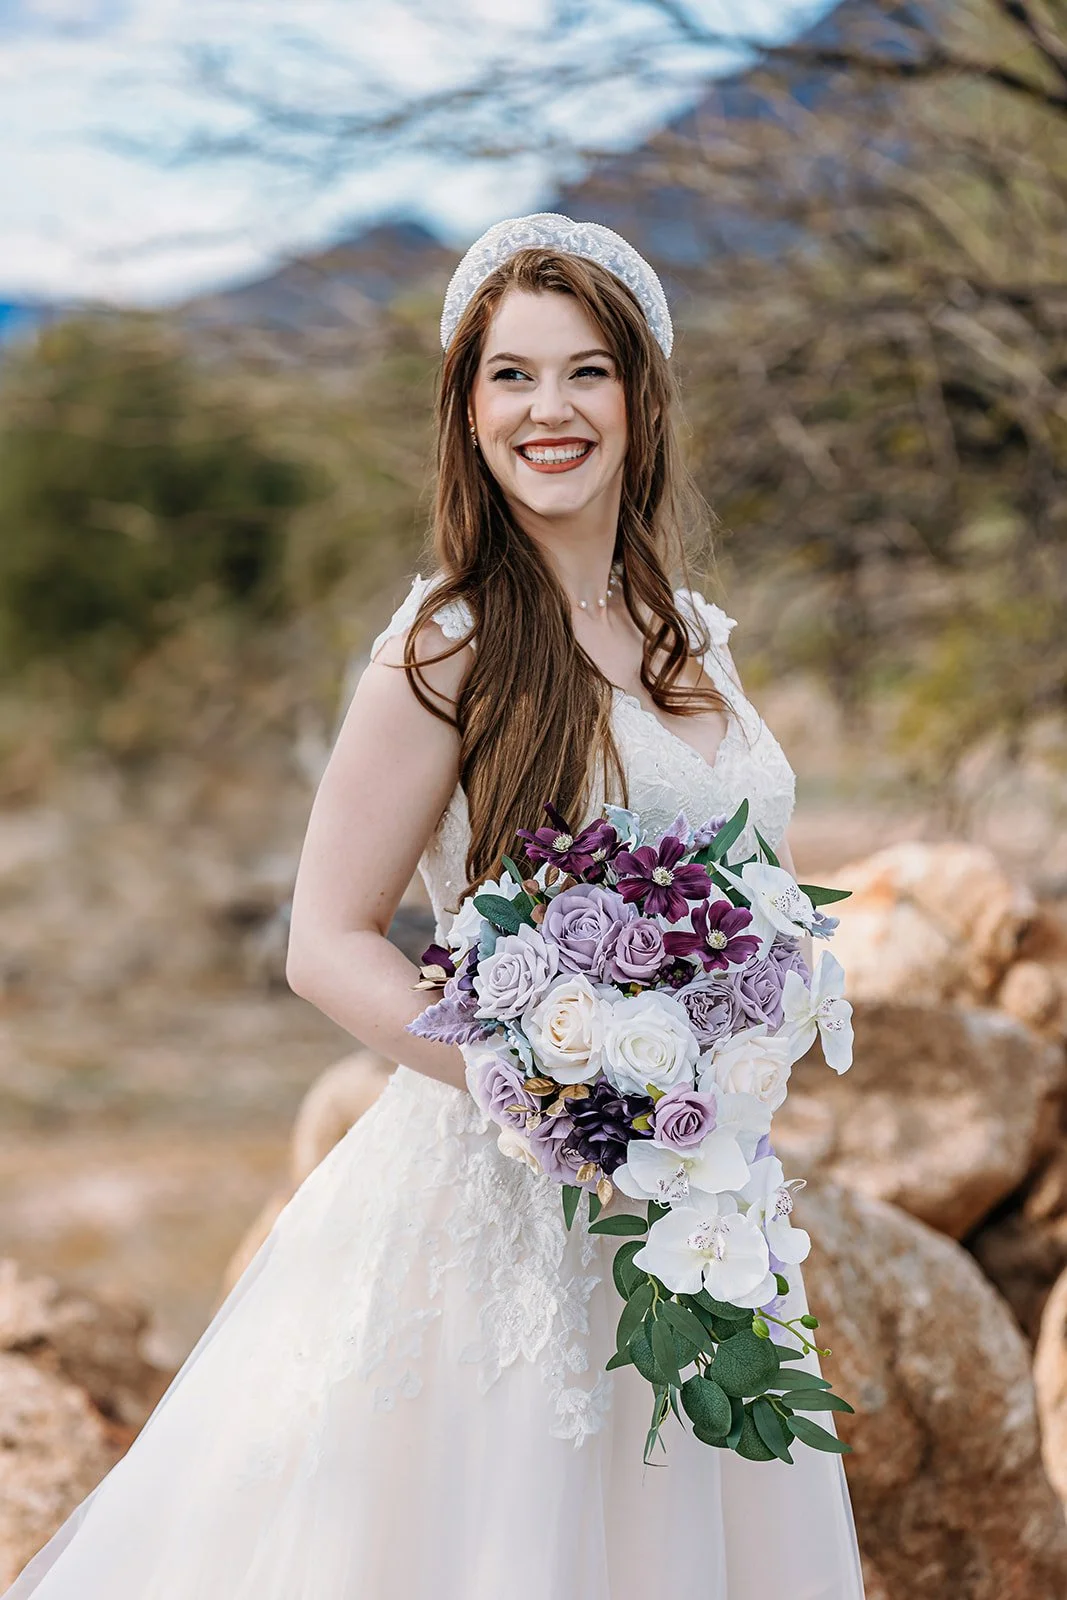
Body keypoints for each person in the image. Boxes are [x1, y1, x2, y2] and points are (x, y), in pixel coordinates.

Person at [2, 213, 866, 1598]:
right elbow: (324, 941)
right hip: (502, 1204)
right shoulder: (447, 644)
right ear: (466, 414)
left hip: (698, 1208)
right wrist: (528, 1081)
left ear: (642, 400)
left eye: (586, 371)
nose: (550, 409)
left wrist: (745, 1030)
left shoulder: (690, 638)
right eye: (509, 376)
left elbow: (744, 900)